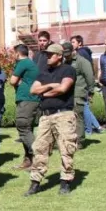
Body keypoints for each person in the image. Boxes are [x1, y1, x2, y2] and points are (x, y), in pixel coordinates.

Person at [25, 44, 78, 196]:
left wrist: (46, 92)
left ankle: (65, 182)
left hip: (64, 115)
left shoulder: (68, 70)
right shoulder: (43, 73)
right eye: (46, 55)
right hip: (45, 116)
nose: (47, 57)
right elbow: (33, 90)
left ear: (59, 56)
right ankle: (35, 183)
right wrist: (51, 85)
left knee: (66, 148)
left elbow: (63, 89)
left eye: (50, 55)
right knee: (39, 148)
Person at [10, 44, 41, 170]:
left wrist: (18, 81)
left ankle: (38, 159)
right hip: (31, 99)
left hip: (27, 99)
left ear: (17, 53)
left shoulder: (23, 63)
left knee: (23, 127)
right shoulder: (30, 63)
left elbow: (12, 81)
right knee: (27, 129)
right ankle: (28, 160)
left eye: (13, 53)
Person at [63, 42, 95, 146]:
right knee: (68, 118)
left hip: (78, 93)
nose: (66, 56)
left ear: (73, 51)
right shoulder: (64, 62)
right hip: (67, 94)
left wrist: (91, 91)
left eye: (68, 54)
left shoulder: (82, 61)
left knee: (78, 117)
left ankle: (80, 141)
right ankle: (70, 139)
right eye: (64, 54)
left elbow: (89, 76)